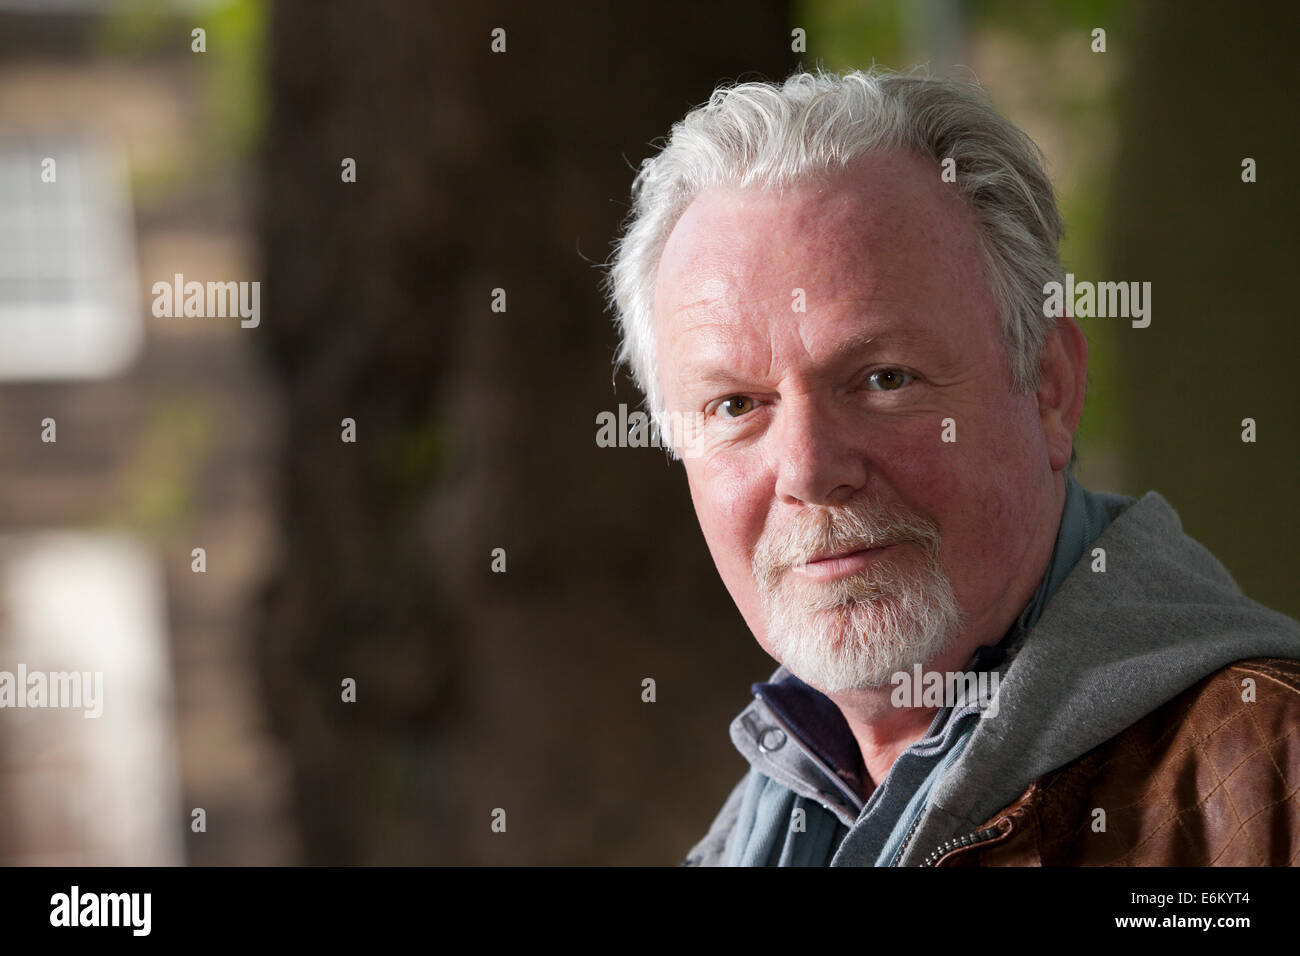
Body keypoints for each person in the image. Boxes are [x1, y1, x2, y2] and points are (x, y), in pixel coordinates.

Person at [602, 67, 1300, 866]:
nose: (807, 468)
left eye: (883, 379)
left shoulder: (1273, 789)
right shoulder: (756, 833)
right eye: (735, 406)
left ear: (1049, 388)